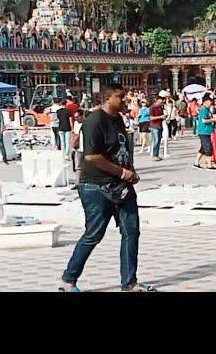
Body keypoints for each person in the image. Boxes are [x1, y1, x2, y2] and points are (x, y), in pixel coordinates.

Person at [61, 83, 152, 293]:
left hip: (121, 186)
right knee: (94, 233)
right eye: (120, 97)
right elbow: (92, 156)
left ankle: (129, 283)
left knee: (131, 232)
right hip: (96, 186)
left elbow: (121, 150)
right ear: (108, 98)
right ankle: (68, 280)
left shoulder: (118, 120)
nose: (124, 101)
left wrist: (129, 171)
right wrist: (121, 172)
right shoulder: (95, 121)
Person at [193, 93, 216, 170]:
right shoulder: (203, 110)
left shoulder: (208, 110)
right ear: (205, 102)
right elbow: (204, 120)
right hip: (203, 131)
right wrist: (214, 119)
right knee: (209, 147)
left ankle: (196, 163)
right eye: (209, 101)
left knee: (203, 148)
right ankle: (209, 165)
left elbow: (210, 118)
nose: (210, 103)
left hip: (207, 131)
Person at [71, 110, 85, 186]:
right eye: (74, 117)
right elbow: (74, 135)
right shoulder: (76, 124)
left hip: (86, 148)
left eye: (77, 117)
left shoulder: (87, 123)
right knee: (78, 167)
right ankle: (78, 183)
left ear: (82, 116)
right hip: (78, 148)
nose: (75, 119)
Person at [149, 96, 165, 161]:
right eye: (160, 102)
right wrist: (160, 117)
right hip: (154, 126)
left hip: (160, 125)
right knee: (156, 140)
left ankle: (156, 154)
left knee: (158, 141)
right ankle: (154, 154)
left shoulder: (160, 107)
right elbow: (151, 118)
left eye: (162, 102)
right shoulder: (152, 108)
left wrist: (164, 117)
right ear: (157, 101)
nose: (161, 103)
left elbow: (162, 116)